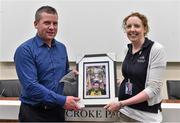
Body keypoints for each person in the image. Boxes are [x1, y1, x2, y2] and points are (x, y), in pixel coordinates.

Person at [14, 6, 80, 122]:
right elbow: (31, 86)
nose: (52, 27)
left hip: (57, 112)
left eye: (55, 23)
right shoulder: (25, 50)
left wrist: (74, 74)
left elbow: (63, 73)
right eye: (47, 23)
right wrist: (62, 100)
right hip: (34, 114)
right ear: (35, 24)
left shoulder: (62, 48)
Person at [104, 12, 166, 122]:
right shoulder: (127, 49)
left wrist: (121, 103)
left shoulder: (156, 49)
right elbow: (131, 77)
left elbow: (153, 89)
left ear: (145, 29)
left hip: (146, 117)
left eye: (137, 26)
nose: (132, 29)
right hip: (125, 112)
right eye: (129, 26)